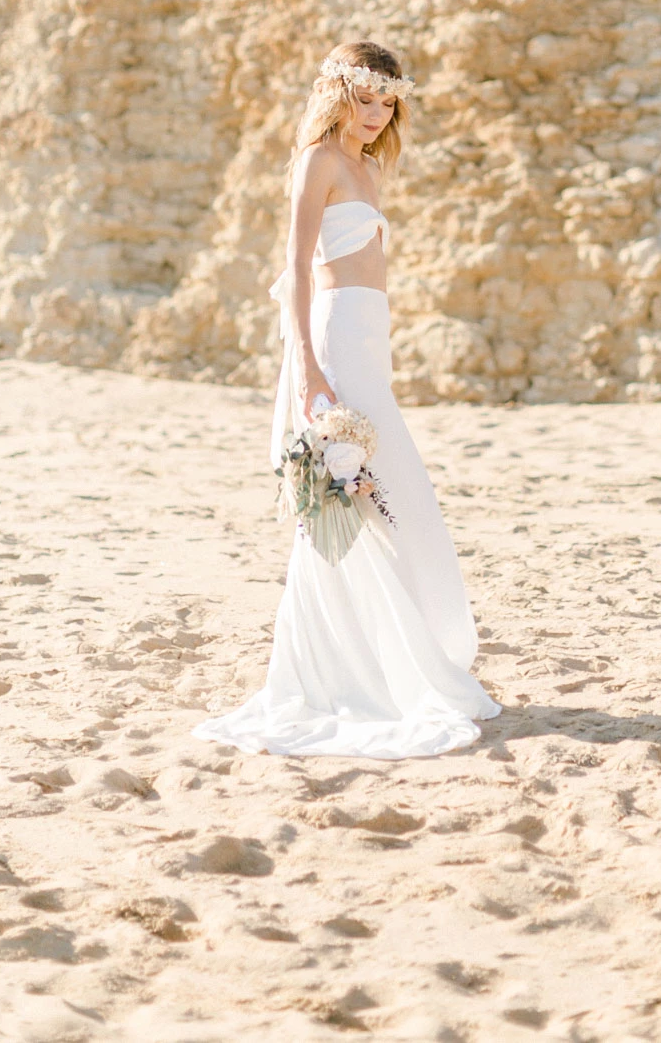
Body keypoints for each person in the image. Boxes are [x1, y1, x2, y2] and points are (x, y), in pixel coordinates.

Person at [193, 41, 500, 758]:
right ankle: (342, 677)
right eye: (364, 99)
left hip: (369, 347)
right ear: (337, 95)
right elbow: (296, 271)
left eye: (387, 102)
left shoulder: (368, 166)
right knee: (345, 504)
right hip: (332, 347)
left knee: (386, 502)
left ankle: (388, 667)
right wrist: (306, 369)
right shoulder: (319, 162)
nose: (375, 114)